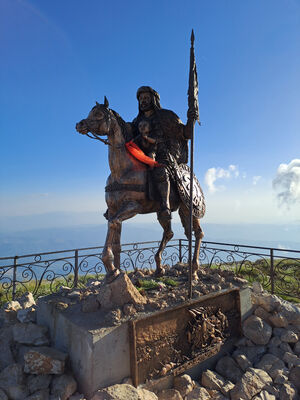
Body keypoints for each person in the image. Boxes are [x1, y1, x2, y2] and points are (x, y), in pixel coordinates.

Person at [131, 86, 196, 236]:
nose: (143, 101)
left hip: (164, 154)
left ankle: (165, 206)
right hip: (141, 155)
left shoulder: (166, 116)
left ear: (153, 99)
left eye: (146, 98)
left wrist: (190, 120)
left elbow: (186, 134)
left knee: (160, 170)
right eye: (141, 99)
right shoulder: (136, 121)